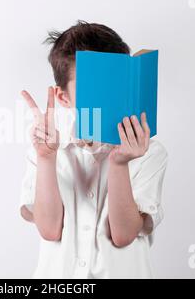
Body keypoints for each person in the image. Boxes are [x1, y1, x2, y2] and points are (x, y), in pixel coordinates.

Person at [19, 21, 168, 278]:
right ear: (63, 97)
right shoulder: (46, 149)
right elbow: (50, 230)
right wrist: (46, 159)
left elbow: (123, 235)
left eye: (113, 84)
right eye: (91, 87)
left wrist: (120, 164)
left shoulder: (149, 153)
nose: (104, 96)